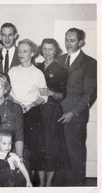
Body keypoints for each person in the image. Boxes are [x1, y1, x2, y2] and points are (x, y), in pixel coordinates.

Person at [56, 28, 97, 186]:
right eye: (66, 39)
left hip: (75, 117)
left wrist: (73, 112)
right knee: (60, 153)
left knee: (75, 154)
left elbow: (90, 93)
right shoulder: (59, 60)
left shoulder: (90, 62)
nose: (68, 43)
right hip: (58, 114)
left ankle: (77, 187)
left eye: (72, 40)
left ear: (81, 42)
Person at [9, 39, 48, 186]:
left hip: (32, 114)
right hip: (15, 111)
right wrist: (17, 103)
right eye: (19, 51)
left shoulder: (38, 73)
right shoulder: (12, 71)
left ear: (32, 53)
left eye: (25, 51)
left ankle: (37, 185)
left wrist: (30, 105)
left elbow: (44, 96)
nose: (21, 54)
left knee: (35, 149)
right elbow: (8, 93)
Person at [36, 38, 70, 186]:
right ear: (41, 50)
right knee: (39, 146)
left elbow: (62, 95)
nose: (47, 52)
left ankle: (49, 183)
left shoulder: (61, 70)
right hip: (37, 110)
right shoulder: (35, 67)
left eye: (50, 49)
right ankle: (41, 181)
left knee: (52, 147)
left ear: (56, 50)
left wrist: (50, 92)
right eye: (45, 49)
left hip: (52, 111)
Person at [0, 73, 28, 187]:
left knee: (18, 173)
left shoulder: (15, 107)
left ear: (5, 90)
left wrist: (19, 155)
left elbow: (19, 133)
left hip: (13, 147)